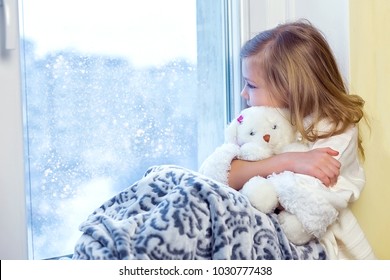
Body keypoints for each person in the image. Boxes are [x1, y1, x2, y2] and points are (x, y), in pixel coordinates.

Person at [227, 19, 376, 259]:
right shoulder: (259, 123)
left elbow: (301, 198)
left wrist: (253, 171)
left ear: (289, 88)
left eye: (251, 85)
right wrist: (291, 161)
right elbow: (225, 172)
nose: (243, 94)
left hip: (323, 249)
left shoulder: (337, 128)